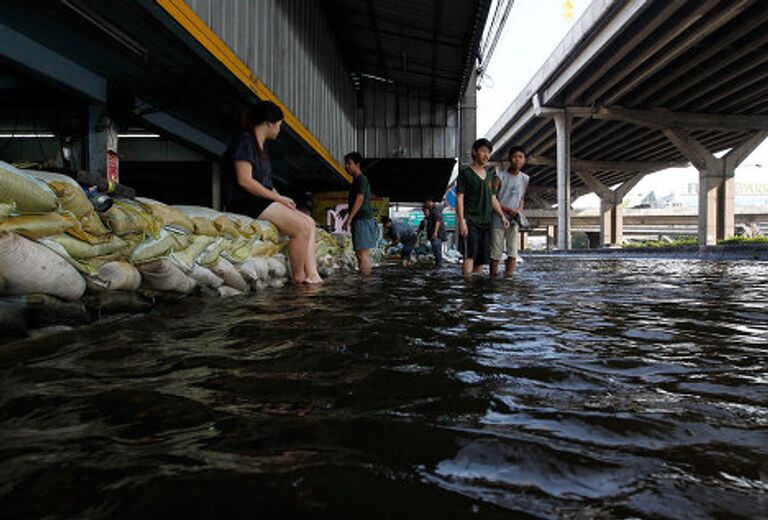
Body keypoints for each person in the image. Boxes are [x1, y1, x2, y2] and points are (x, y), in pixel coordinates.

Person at [224, 100, 322, 284]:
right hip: (244, 200)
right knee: (299, 229)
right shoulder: (245, 141)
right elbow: (244, 181)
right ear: (270, 122)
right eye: (279, 124)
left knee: (308, 221)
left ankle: (313, 274)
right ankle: (299, 279)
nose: (279, 129)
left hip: (258, 199)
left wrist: (283, 199)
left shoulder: (262, 147)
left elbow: (267, 184)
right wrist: (277, 198)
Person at [456, 138, 509, 275]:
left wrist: (502, 216)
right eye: (483, 151)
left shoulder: (490, 176)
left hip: (486, 223)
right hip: (471, 221)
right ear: (474, 152)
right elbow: (460, 197)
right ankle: (467, 290)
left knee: (481, 260)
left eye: (488, 152)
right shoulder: (465, 174)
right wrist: (461, 221)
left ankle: (478, 293)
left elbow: (493, 198)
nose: (486, 155)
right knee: (469, 256)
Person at [491, 145, 529, 275]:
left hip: (514, 219)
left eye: (520, 157)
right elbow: (493, 199)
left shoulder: (525, 178)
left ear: (524, 160)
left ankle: (509, 278)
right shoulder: (499, 177)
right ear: (509, 159)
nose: (517, 160)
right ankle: (493, 279)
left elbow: (522, 197)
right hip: (498, 217)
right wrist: (507, 210)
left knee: (513, 251)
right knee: (496, 252)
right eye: (514, 157)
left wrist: (519, 210)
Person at [342, 152, 376, 275]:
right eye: (345, 164)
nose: (346, 166)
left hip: (363, 220)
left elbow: (360, 199)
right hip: (360, 220)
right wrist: (347, 210)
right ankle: (365, 282)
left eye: (349, 163)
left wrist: (349, 219)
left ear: (357, 164)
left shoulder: (361, 179)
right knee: (359, 254)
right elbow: (357, 201)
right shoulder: (356, 181)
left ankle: (366, 285)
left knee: (362, 254)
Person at [423, 198, 447, 267]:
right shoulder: (430, 210)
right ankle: (438, 263)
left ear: (429, 201)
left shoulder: (435, 208)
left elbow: (438, 221)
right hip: (433, 233)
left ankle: (439, 265)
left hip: (438, 233)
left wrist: (435, 232)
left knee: (436, 247)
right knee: (435, 247)